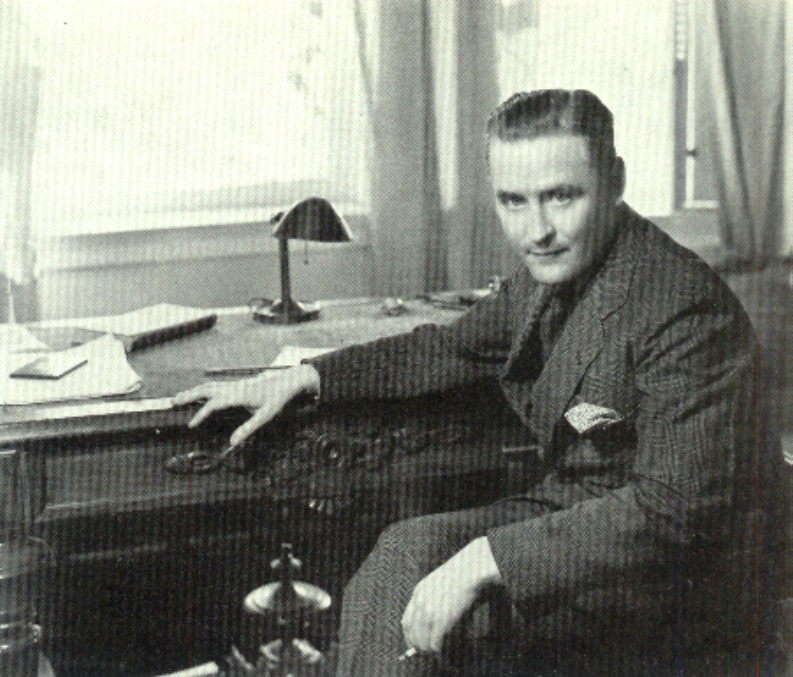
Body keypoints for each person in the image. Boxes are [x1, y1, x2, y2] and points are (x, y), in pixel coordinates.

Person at [174, 90, 784, 675]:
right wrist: (303, 376)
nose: (536, 230)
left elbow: (674, 511)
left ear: (616, 181)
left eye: (561, 196)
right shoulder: (547, 274)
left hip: (684, 575)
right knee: (400, 557)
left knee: (463, 614)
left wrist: (486, 559)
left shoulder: (681, 306)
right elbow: (449, 347)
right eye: (513, 201)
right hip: (580, 516)